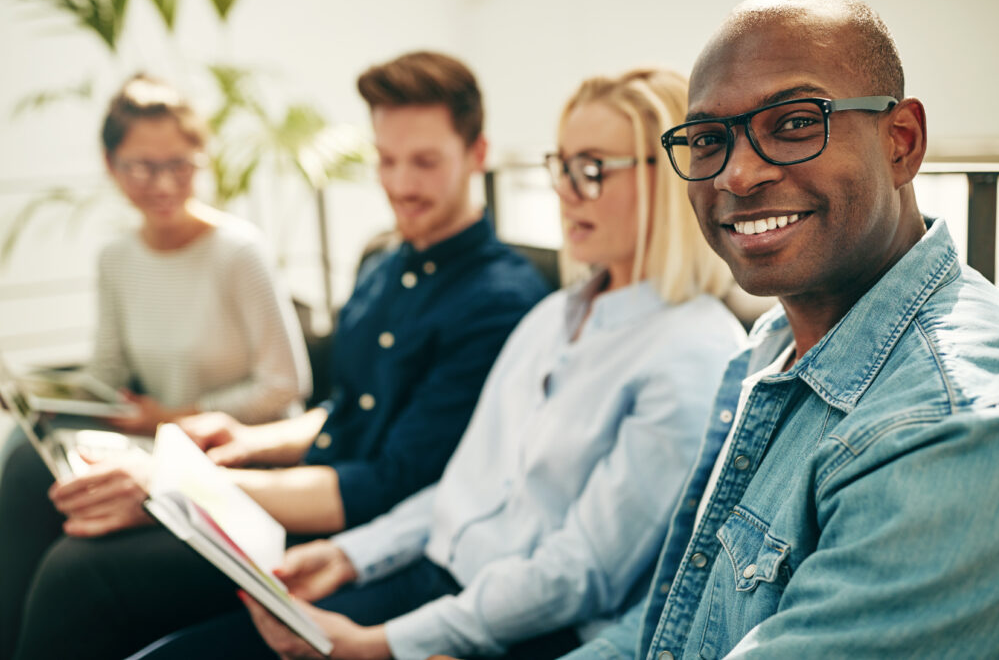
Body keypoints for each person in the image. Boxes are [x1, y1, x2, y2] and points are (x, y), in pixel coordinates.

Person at [129, 68, 745, 660]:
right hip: (430, 578)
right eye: (561, 166)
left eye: (591, 170)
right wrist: (351, 554)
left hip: (508, 625)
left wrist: (383, 644)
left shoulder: (691, 354)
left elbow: (578, 575)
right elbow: (462, 490)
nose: (563, 191)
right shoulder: (554, 317)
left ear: (673, 173)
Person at [0, 52, 550, 660]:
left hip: (353, 527)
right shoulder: (385, 266)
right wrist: (250, 438)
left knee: (79, 573)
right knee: (30, 470)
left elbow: (396, 482)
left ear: (477, 155)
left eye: (424, 162)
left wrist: (183, 484)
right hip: (305, 486)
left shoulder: (500, 303)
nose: (400, 184)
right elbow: (346, 410)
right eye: (386, 160)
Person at [562, 0, 999, 660]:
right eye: (710, 140)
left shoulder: (950, 427)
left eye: (795, 123)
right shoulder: (777, 343)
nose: (739, 174)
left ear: (902, 141)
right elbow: (671, 625)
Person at [0, 74, 312, 465]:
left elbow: (284, 387)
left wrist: (171, 418)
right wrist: (44, 399)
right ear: (110, 165)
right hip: (162, 446)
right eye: (143, 167)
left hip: (239, 451)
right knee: (24, 454)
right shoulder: (116, 259)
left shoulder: (239, 252)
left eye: (180, 165)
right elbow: (107, 375)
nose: (164, 186)